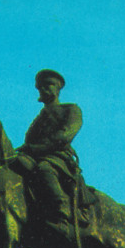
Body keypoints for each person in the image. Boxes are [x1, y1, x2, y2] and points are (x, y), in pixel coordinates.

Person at [11, 70, 86, 237]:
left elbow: (64, 135)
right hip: (34, 157)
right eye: (41, 87)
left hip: (58, 158)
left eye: (48, 86)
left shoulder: (71, 109)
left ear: (58, 89)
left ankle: (63, 212)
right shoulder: (38, 118)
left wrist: (34, 148)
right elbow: (28, 141)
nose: (43, 89)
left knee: (45, 169)